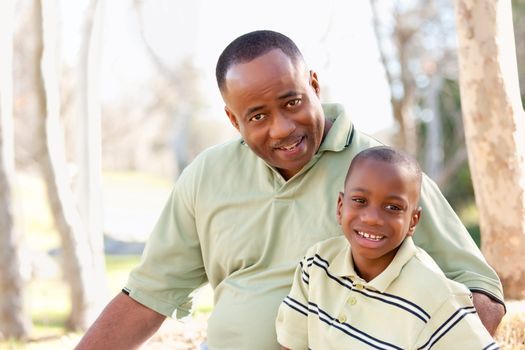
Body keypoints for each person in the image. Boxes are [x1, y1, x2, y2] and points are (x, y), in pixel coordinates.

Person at [75, 30, 504, 350]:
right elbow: (147, 295)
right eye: (258, 116)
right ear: (233, 119)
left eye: (292, 102)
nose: (283, 128)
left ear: (314, 86)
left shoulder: (381, 174)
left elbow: (482, 292)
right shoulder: (207, 174)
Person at [275, 146, 499, 350]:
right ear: (341, 207)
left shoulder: (434, 294)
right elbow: (292, 345)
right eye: (360, 201)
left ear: (413, 221)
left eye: (393, 207)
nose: (372, 218)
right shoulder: (317, 264)